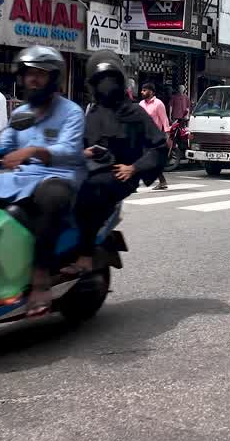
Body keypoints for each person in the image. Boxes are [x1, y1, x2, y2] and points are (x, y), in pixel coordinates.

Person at [0, 46, 86, 317]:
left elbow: (69, 152)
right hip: (21, 178)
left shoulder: (71, 112)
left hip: (59, 177)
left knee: (51, 198)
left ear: (53, 79)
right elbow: (5, 145)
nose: (33, 80)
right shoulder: (21, 113)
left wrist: (34, 152)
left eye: (40, 75)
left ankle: (41, 277)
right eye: (29, 74)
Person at [70, 51, 166, 274]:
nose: (106, 86)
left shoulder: (135, 112)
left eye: (110, 80)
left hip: (119, 173)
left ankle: (84, 254)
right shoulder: (93, 112)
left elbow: (159, 146)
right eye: (100, 81)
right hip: (90, 168)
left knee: (90, 191)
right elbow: (79, 143)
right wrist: (83, 152)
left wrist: (134, 168)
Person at [138, 82, 170, 191]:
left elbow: (164, 120)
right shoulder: (141, 104)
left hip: (154, 137)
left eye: (144, 90)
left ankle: (162, 181)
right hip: (142, 136)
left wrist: (167, 136)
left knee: (150, 161)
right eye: (142, 90)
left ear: (151, 92)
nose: (142, 92)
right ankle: (162, 181)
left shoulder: (158, 104)